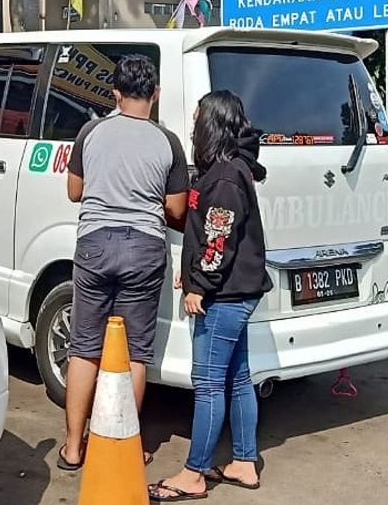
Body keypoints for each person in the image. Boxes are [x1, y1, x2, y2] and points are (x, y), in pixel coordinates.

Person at [58, 55, 189, 471]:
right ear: (155, 94)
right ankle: (123, 447)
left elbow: (74, 192)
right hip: (145, 249)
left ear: (115, 94)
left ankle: (74, 449)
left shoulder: (90, 132)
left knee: (84, 349)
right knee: (134, 353)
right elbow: (177, 209)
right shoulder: (167, 142)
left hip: (95, 244)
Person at [149, 91, 272, 502]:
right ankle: (243, 462)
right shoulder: (230, 170)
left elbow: (219, 242)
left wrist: (199, 284)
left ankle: (194, 472)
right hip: (237, 290)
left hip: (225, 295)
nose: (193, 123)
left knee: (207, 384)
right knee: (237, 379)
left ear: (212, 124)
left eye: (198, 116)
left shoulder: (223, 178)